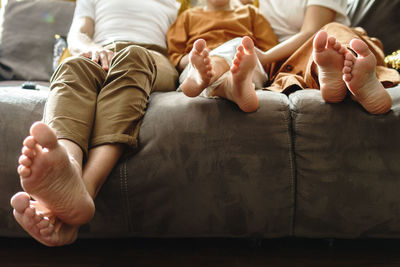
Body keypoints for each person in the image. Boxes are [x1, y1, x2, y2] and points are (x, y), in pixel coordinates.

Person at [10, 0, 180, 247]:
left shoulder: (177, 3)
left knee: (134, 56)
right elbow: (78, 35)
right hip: (101, 51)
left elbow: (190, 38)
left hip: (153, 57)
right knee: (71, 65)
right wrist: (92, 48)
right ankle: (67, 167)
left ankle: (84, 191)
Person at [249, 0, 399, 114]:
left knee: (329, 38)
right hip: (290, 61)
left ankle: (351, 69)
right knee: (315, 60)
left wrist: (265, 57)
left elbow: (312, 30)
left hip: (336, 40)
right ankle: (338, 79)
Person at [167, 0, 278, 112]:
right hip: (194, 69)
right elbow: (176, 59)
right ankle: (230, 87)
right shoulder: (188, 16)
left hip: (248, 70)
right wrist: (198, 56)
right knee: (204, 63)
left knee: (241, 45)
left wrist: (212, 59)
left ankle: (212, 73)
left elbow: (269, 55)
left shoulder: (250, 13)